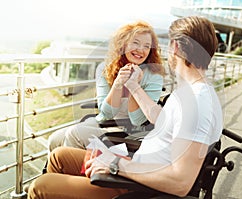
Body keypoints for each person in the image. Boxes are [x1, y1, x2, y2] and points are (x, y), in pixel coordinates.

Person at [27, 16, 223, 199]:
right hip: (136, 167)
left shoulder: (196, 104)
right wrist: (134, 87)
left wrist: (115, 164)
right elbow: (161, 119)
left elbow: (180, 183)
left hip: (136, 186)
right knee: (59, 157)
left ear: (176, 47)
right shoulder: (190, 92)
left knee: (40, 186)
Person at [48, 20, 165, 151]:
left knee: (75, 134)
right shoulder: (104, 69)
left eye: (147, 46)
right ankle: (56, 169)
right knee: (55, 139)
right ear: (123, 44)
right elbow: (107, 113)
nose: (140, 50)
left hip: (134, 130)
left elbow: (137, 120)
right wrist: (118, 84)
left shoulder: (154, 75)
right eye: (135, 43)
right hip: (107, 122)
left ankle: (74, 168)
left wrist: (133, 85)